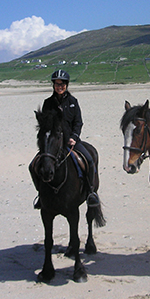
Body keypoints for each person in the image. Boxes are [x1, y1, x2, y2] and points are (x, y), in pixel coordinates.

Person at [35, 69, 100, 208]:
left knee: (89, 160)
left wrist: (74, 137)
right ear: (53, 85)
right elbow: (45, 125)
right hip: (54, 143)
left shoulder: (73, 102)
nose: (60, 87)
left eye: (62, 84)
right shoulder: (48, 103)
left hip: (71, 141)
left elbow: (78, 122)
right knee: (33, 165)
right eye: (57, 84)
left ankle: (90, 193)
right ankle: (41, 195)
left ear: (67, 85)